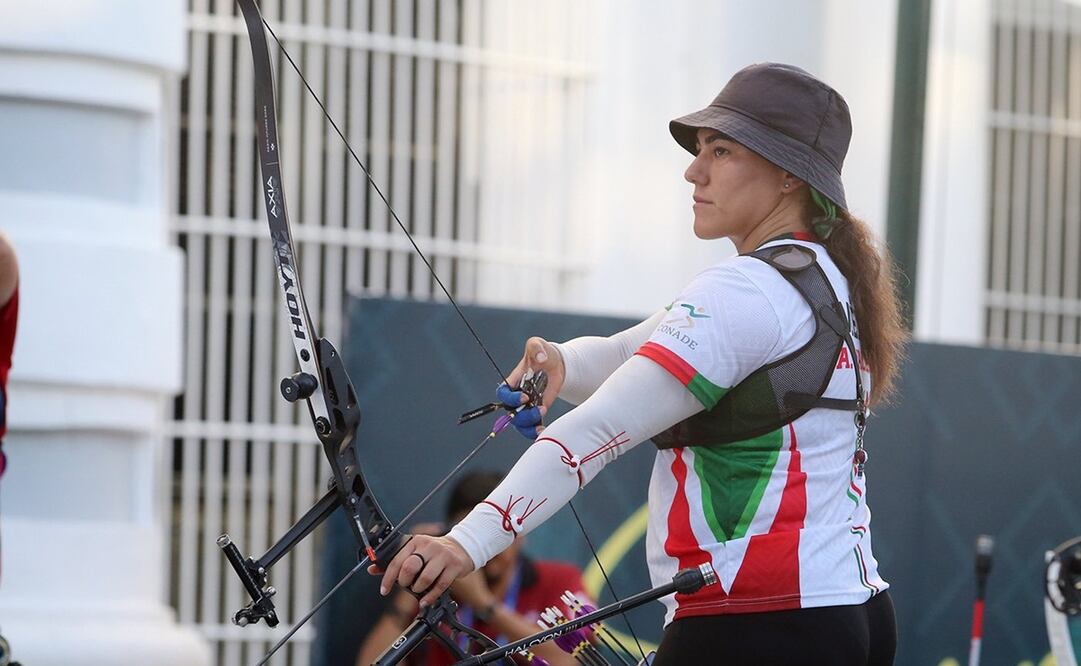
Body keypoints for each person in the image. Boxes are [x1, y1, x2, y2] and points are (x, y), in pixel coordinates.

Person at [374, 63, 905, 665]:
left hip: (757, 621)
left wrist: (466, 544)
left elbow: (596, 430)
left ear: (789, 176)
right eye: (700, 149)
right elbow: (634, 354)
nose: (693, 169)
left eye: (721, 151)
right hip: (844, 612)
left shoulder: (747, 291)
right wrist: (560, 364)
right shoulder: (824, 279)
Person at [357, 471, 589, 666]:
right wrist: (411, 579)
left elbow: (573, 661)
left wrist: (484, 605)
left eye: (497, 537)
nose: (487, 550)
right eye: (472, 539)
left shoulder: (559, 579)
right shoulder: (438, 587)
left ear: (522, 535)